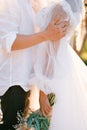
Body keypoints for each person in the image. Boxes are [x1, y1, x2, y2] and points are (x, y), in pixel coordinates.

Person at [0, 0, 69, 129]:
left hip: (31, 81)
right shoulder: (11, 2)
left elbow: (42, 47)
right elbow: (9, 42)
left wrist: (42, 89)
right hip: (15, 83)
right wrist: (46, 35)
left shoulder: (38, 4)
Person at [33, 0, 87, 130]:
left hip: (54, 71)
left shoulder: (61, 9)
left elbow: (52, 52)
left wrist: (43, 91)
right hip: (65, 63)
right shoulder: (67, 7)